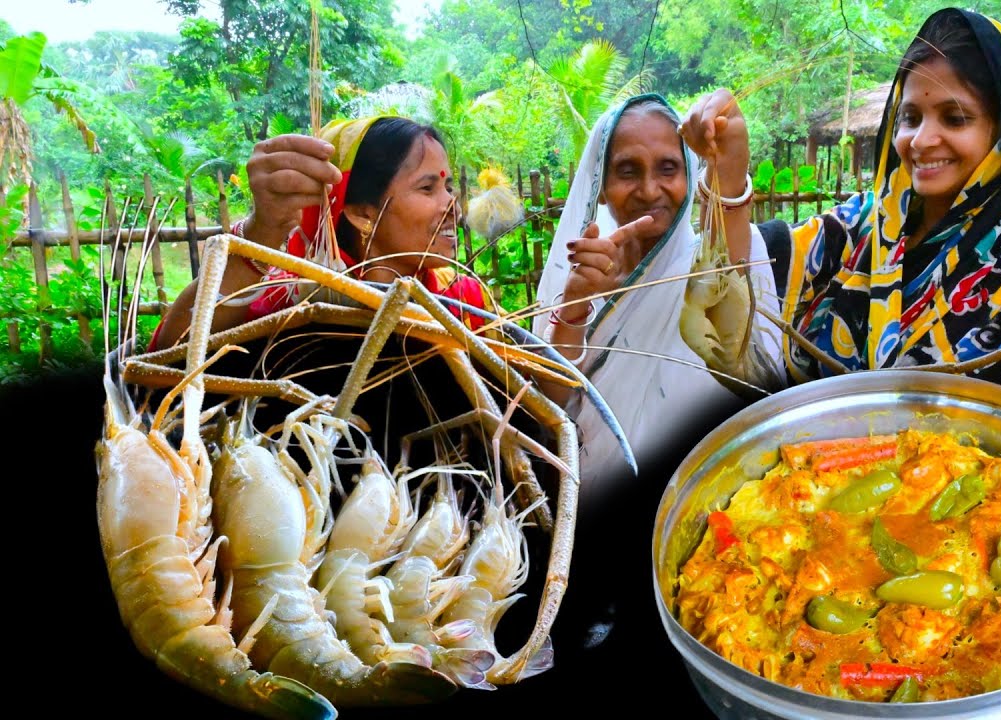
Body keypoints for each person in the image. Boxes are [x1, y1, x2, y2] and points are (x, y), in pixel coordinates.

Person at [679, 8, 1001, 488]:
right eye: (911, 116)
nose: (921, 139)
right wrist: (729, 170)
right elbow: (739, 290)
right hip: (797, 517)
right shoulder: (853, 235)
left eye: (955, 118)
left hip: (970, 554)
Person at [533, 94, 781, 507]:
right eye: (627, 171)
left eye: (669, 168)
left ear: (689, 174)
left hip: (706, 505)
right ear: (600, 186)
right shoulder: (577, 279)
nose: (650, 190)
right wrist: (576, 302)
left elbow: (730, 290)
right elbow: (552, 406)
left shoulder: (707, 266)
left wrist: (730, 165)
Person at [150, 115, 491, 350]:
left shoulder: (463, 299)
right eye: (428, 188)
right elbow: (171, 357)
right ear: (362, 214)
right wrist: (263, 230)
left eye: (447, 187)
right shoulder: (294, 303)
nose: (454, 207)